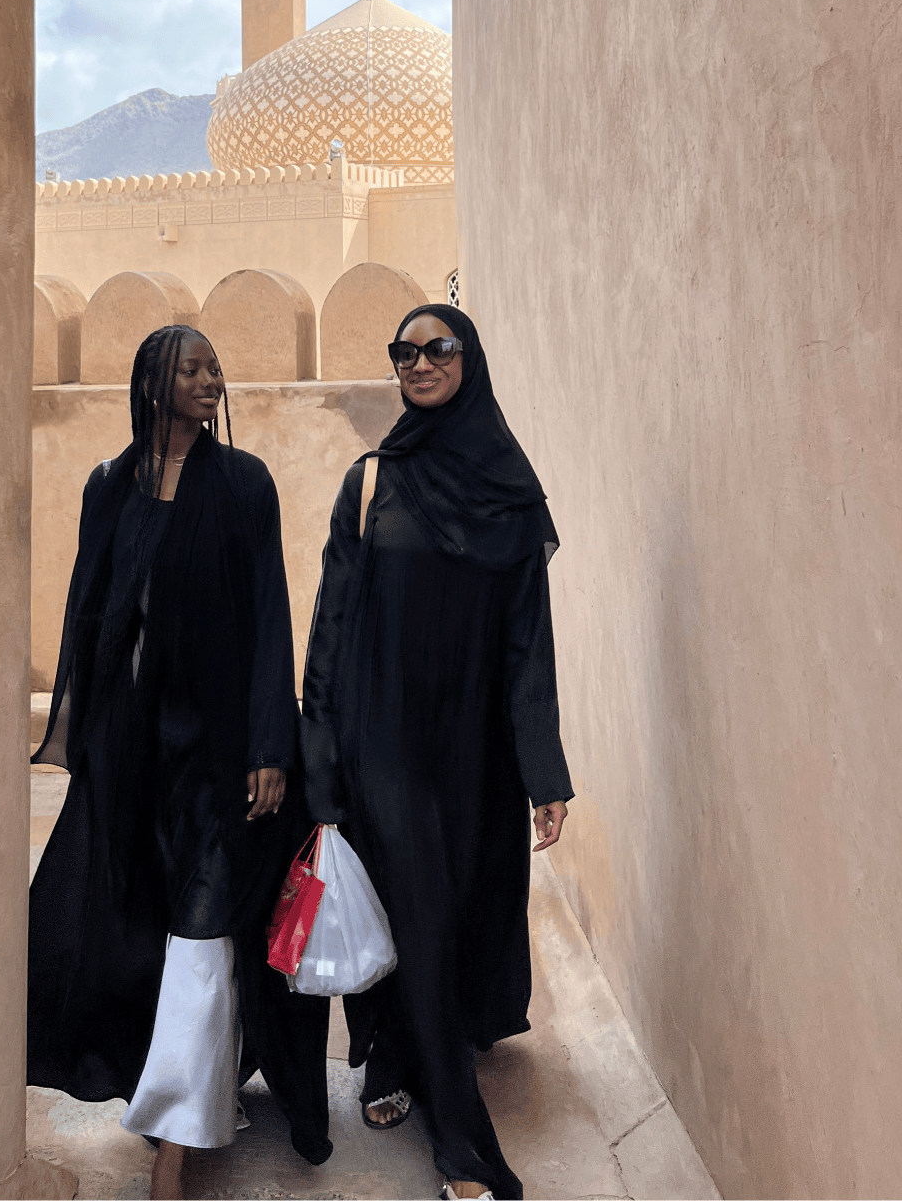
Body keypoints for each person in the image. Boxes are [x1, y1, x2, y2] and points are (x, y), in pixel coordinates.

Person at [28, 325, 332, 1200]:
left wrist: (273, 746)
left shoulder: (243, 485)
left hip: (224, 753)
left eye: (213, 367)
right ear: (151, 385)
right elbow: (89, 613)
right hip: (135, 756)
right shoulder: (107, 487)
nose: (210, 380)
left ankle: (173, 1146)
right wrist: (87, 742)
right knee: (149, 931)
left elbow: (272, 616)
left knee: (202, 935)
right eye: (189, 369)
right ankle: (197, 1080)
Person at [301, 304, 572, 1201]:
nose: (419, 363)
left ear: (470, 360)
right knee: (408, 900)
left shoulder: (508, 488)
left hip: (476, 744)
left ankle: (401, 1052)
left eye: (438, 349)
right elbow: (330, 627)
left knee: (449, 906)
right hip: (384, 738)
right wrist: (321, 748)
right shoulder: (373, 481)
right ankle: (457, 1143)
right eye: (404, 352)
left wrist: (543, 771)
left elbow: (529, 640)